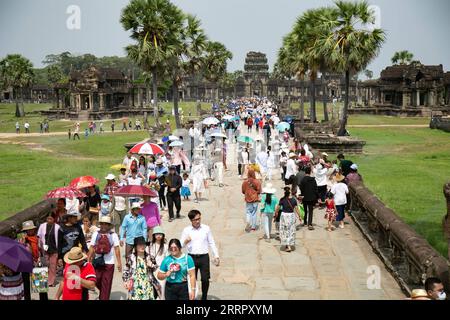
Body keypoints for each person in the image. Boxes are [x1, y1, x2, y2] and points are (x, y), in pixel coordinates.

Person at [181, 210, 220, 300]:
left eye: (199, 218)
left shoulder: (206, 228)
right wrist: (185, 241)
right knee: (191, 278)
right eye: (195, 219)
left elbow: (211, 242)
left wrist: (216, 255)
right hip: (191, 258)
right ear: (191, 220)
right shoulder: (186, 230)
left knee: (205, 279)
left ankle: (204, 296)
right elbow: (180, 245)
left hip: (204, 257)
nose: (198, 221)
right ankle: (192, 296)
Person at [87, 216, 121, 300]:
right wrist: (88, 260)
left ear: (109, 225)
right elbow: (91, 247)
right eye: (102, 224)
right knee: (96, 280)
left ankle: (103, 297)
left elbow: (117, 248)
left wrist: (119, 262)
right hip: (97, 261)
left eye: (106, 224)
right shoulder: (96, 234)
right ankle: (103, 294)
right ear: (100, 224)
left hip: (109, 263)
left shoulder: (114, 235)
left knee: (107, 283)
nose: (104, 226)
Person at [37, 213, 61, 287]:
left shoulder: (58, 227)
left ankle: (51, 282)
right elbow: (39, 236)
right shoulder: (42, 226)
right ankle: (43, 281)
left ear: (54, 219)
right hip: (45, 248)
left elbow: (60, 239)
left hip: (54, 249)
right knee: (45, 264)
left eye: (51, 218)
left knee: (53, 266)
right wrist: (39, 245)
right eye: (48, 218)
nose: (49, 220)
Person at [275, 187, 301, 252]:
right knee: (291, 230)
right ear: (290, 193)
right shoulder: (293, 200)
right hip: (291, 216)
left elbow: (278, 207)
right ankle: (289, 244)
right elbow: (296, 208)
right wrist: (299, 216)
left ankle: (287, 244)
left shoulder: (282, 199)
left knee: (284, 230)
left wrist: (276, 213)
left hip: (284, 215)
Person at [148, 226, 168, 299]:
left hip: (162, 270)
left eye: (160, 234)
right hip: (152, 270)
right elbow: (147, 257)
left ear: (163, 235)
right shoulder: (150, 246)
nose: (158, 236)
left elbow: (167, 258)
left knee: (161, 288)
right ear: (154, 235)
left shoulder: (166, 246)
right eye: (156, 234)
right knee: (153, 289)